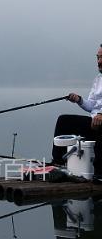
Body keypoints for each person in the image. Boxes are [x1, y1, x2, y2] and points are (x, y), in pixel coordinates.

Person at [52, 44, 102, 174]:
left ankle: (99, 172)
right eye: (98, 58)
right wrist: (79, 100)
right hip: (94, 123)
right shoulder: (98, 79)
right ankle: (58, 162)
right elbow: (91, 106)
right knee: (63, 121)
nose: (99, 61)